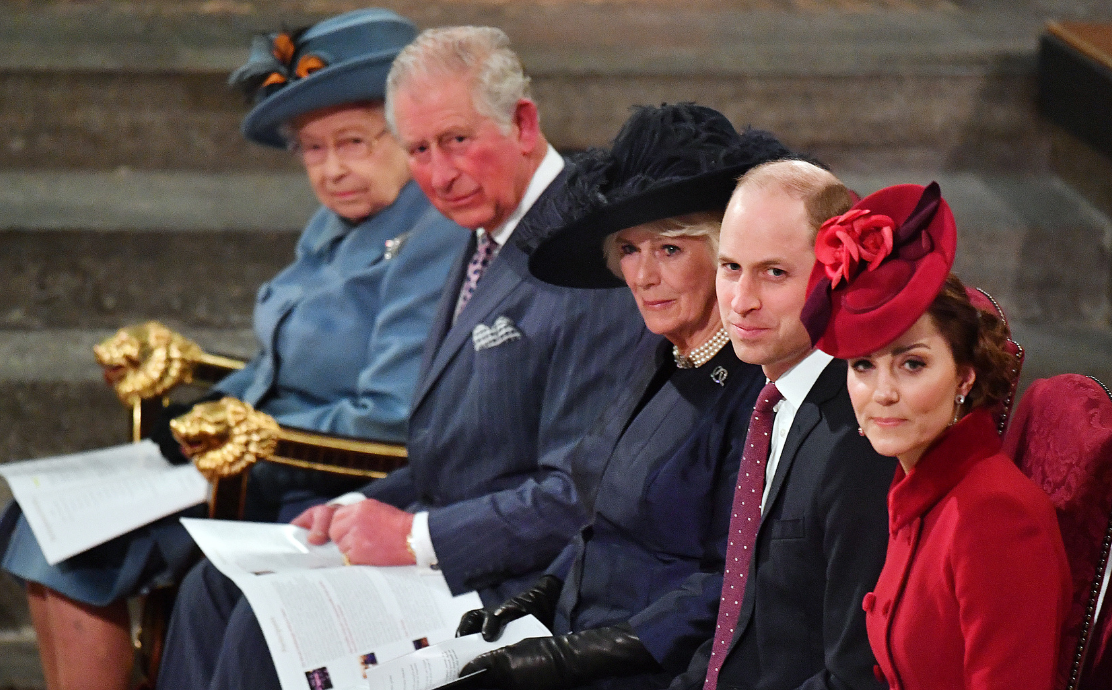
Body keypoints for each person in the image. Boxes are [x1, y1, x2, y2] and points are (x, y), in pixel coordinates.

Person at [154, 25, 648, 690]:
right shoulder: (482, 228)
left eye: (458, 140)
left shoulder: (585, 257)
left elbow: (579, 496)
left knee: (267, 625)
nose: (440, 175)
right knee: (212, 589)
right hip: (453, 538)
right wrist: (351, 507)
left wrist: (415, 537)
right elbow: (453, 456)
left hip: (533, 580)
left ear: (523, 124)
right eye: (418, 149)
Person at [0, 9, 466, 690]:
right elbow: (279, 366)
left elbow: (391, 416)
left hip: (318, 474)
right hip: (253, 454)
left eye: (354, 141)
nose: (333, 168)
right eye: (312, 148)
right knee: (40, 518)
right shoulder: (335, 223)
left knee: (72, 545)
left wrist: (247, 437)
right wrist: (206, 410)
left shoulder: (434, 233)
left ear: (409, 132)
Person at [450, 104, 801, 690]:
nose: (642, 276)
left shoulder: (757, 390)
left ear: (725, 256)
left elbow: (734, 580)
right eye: (630, 250)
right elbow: (605, 522)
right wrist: (540, 595)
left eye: (670, 249)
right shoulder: (661, 355)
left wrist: (574, 657)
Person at [801, 181, 1071, 690]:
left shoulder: (993, 514)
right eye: (863, 366)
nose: (883, 393)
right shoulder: (919, 488)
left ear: (965, 376)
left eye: (912, 364)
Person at [669, 159, 896, 690]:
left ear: (836, 277)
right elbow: (740, 621)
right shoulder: (771, 398)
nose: (741, 301)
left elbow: (855, 674)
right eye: (730, 267)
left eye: (775, 273)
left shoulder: (863, 433)